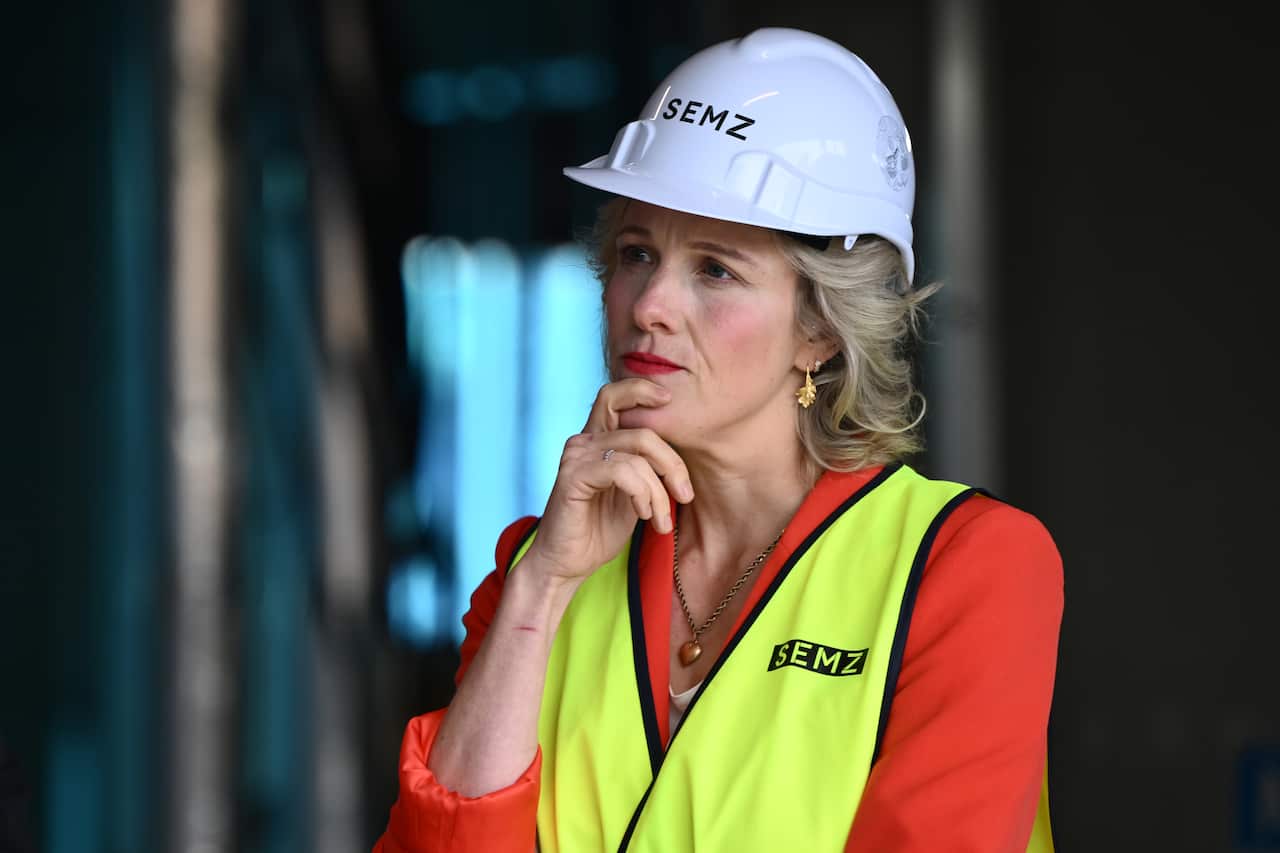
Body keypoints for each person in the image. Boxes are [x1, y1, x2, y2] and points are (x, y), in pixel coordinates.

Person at [375, 26, 1062, 853]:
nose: (650, 302)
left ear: (820, 329)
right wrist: (542, 590)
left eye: (715, 269)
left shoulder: (970, 567)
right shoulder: (538, 565)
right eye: (636, 252)